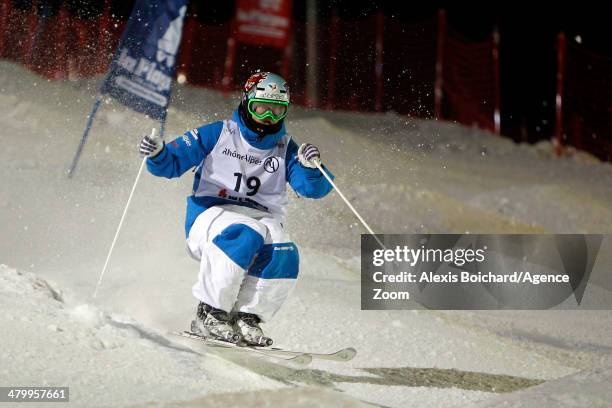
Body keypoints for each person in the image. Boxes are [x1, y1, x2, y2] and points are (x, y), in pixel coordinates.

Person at [139, 72, 334, 346]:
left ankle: (247, 317)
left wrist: (311, 168)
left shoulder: (286, 147)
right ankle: (210, 312)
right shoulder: (219, 133)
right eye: (261, 108)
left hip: (261, 218)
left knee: (283, 248)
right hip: (211, 216)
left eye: (277, 111)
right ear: (246, 102)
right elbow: (171, 163)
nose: (268, 118)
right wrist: (158, 153)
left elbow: (312, 189)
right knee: (246, 231)